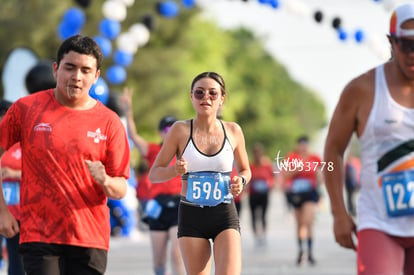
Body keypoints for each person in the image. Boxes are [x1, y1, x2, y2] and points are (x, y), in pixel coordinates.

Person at [0, 34, 130, 274]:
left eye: (85, 70)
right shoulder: (26, 109)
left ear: (96, 76)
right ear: (56, 69)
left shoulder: (109, 122)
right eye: (70, 67)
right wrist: (2, 209)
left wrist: (106, 180)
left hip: (89, 237)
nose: (77, 76)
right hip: (39, 234)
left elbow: (121, 187)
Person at [324, 3, 414, 274]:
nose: (413, 54)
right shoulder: (362, 89)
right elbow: (332, 151)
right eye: (406, 45)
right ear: (391, 42)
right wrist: (338, 212)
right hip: (379, 223)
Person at [148, 72, 251, 275]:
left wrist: (241, 180)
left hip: (224, 213)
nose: (206, 97)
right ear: (191, 96)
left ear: (222, 98)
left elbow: (246, 170)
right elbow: (154, 174)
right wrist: (174, 170)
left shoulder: (233, 131)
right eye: (199, 93)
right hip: (191, 215)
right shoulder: (179, 130)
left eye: (213, 93)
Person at [121, 88, 185, 275]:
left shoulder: (186, 152)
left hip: (179, 206)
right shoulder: (152, 151)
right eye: (167, 130)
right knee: (158, 261)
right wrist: (128, 111)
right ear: (160, 132)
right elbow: (133, 136)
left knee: (177, 256)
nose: (170, 133)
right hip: (157, 206)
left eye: (175, 129)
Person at [283, 135, 321, 265]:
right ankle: (301, 251)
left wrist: (321, 193)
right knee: (299, 224)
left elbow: (320, 176)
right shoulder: (292, 157)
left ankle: (310, 253)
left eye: (305, 144)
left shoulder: (314, 158)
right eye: (301, 144)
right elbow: (285, 174)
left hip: (310, 193)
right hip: (296, 193)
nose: (303, 147)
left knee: (308, 221)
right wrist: (296, 170)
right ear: (298, 145)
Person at [0, 100, 25, 275]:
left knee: (17, 265)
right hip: (3, 209)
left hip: (17, 214)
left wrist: (13, 173)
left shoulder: (24, 144)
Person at [248, 142, 275, 246]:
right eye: (255, 152)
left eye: (258, 152)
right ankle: (256, 234)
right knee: (253, 215)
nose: (257, 154)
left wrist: (270, 185)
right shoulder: (251, 165)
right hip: (253, 194)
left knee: (263, 215)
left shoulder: (267, 164)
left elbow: (272, 177)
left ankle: (263, 233)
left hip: (264, 194)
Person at [344, 152, 361, 217]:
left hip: (351, 184)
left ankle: (352, 210)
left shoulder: (352, 164)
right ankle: (351, 210)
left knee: (351, 197)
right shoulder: (349, 165)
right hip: (349, 184)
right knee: (350, 198)